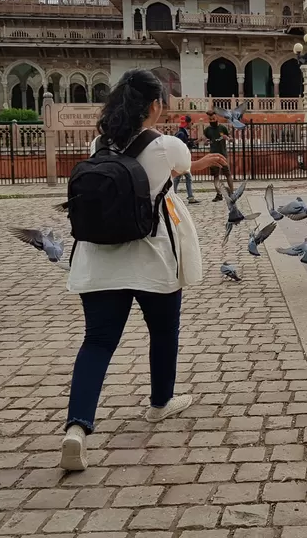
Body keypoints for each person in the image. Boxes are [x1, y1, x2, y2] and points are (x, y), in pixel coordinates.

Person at [61, 69, 227, 471]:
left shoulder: (98, 142)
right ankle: (160, 402)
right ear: (154, 106)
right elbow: (176, 171)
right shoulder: (168, 145)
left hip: (99, 260)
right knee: (163, 333)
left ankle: (77, 428)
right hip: (154, 260)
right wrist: (203, 162)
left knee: (97, 342)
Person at [203, 109, 233, 202]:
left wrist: (227, 138)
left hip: (223, 154)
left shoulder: (223, 128)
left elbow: (231, 139)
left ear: (216, 117)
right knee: (216, 176)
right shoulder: (207, 130)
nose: (212, 121)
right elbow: (205, 142)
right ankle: (218, 194)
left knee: (227, 174)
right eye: (210, 119)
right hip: (213, 156)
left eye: (213, 119)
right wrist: (206, 142)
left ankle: (232, 193)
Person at [173, 115, 199, 204]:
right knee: (184, 178)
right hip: (181, 159)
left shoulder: (181, 132)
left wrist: (194, 142)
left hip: (180, 159)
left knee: (179, 178)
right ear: (188, 123)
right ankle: (189, 197)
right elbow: (181, 147)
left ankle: (176, 194)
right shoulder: (181, 134)